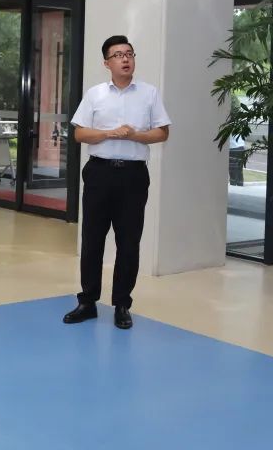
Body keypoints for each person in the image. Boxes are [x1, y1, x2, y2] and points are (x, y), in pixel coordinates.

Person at [63, 35, 171, 331]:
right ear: (106, 63)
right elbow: (80, 134)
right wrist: (110, 133)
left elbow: (162, 132)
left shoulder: (149, 93)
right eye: (118, 55)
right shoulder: (95, 94)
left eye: (129, 54)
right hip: (99, 173)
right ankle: (87, 302)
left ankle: (122, 304)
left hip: (133, 176)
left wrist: (135, 135)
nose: (125, 59)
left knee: (128, 242)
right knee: (92, 240)